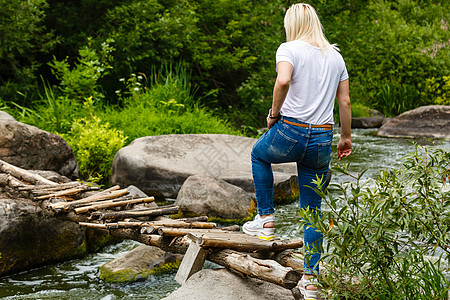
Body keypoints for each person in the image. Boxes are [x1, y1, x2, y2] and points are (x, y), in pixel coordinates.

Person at [242, 3, 352, 300]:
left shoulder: (288, 49)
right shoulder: (336, 56)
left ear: (293, 24)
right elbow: (345, 103)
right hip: (322, 137)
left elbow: (283, 80)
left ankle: (265, 221)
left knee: (258, 154)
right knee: (312, 214)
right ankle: (311, 283)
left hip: (290, 129)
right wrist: (345, 138)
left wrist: (274, 114)